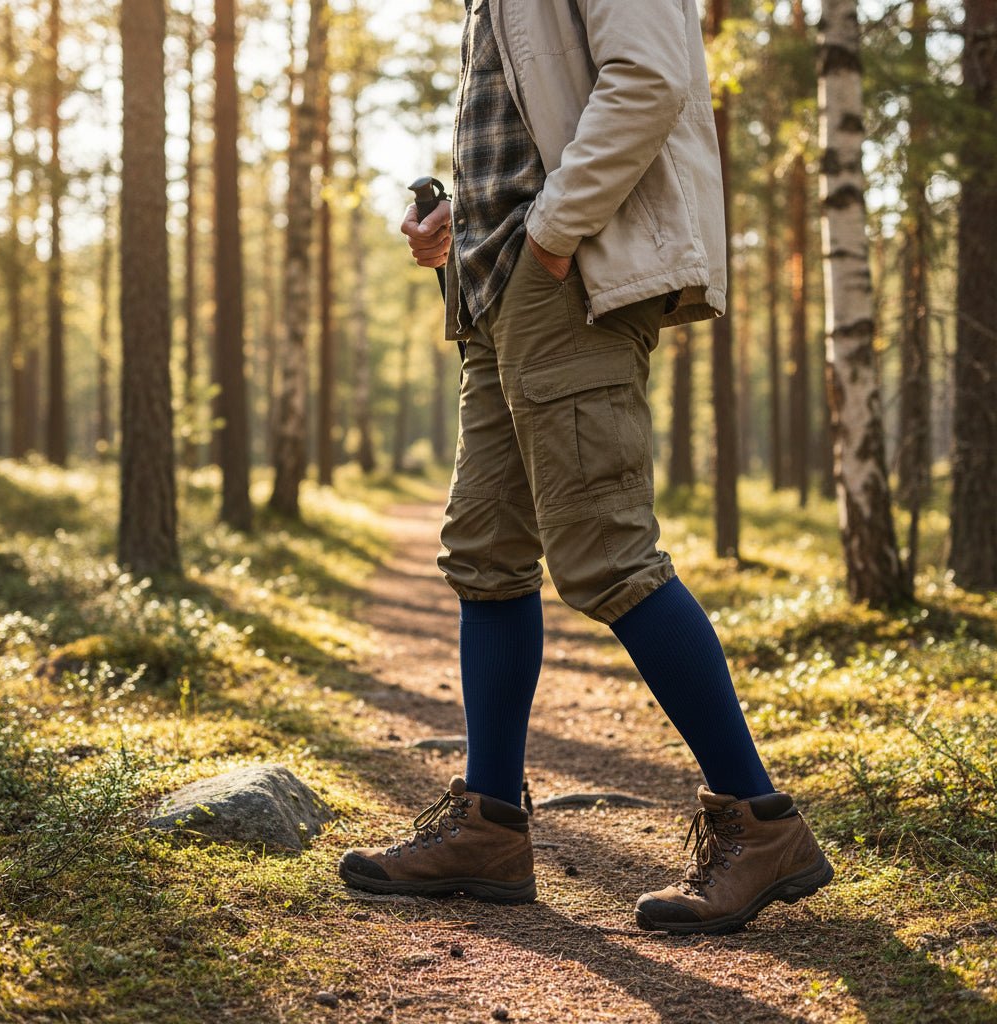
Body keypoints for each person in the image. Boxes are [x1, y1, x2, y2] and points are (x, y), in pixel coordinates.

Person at [338, 0, 833, 934]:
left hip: (567, 280)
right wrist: (456, 211)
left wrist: (553, 232)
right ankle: (490, 824)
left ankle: (759, 820)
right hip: (491, 289)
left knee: (607, 553)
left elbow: (648, 79)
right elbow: (530, 114)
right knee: (485, 552)